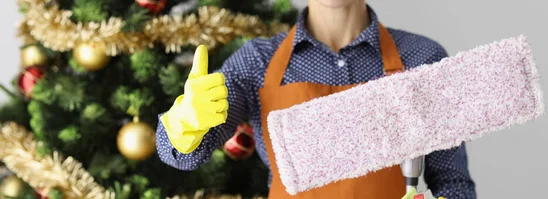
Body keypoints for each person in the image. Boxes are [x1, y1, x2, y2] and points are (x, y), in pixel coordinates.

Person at [156, 0, 477, 198]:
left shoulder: (423, 58)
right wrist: (185, 124)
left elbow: (453, 181)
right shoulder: (258, 62)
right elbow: (183, 156)